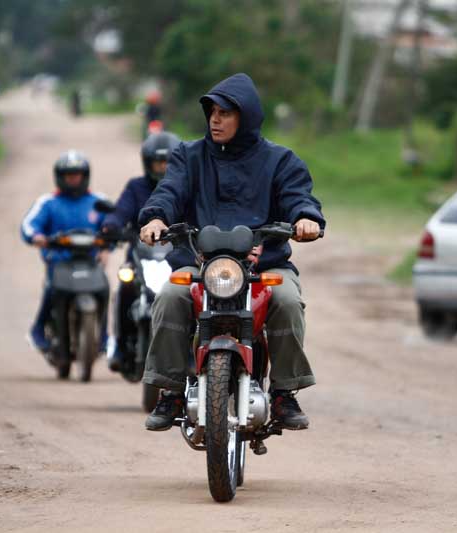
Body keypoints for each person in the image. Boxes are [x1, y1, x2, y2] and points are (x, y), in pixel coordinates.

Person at [137, 73, 325, 431]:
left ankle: (285, 392)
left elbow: (299, 196)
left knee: (285, 299)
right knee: (170, 295)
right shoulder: (188, 157)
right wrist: (156, 218)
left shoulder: (280, 160)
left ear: (247, 116)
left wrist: (305, 218)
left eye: (225, 113)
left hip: (263, 267)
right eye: (212, 112)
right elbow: (169, 192)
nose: (215, 119)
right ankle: (170, 390)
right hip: (199, 265)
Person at [102, 131, 182, 371]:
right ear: (147, 163)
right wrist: (112, 224)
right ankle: (118, 344)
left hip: (177, 258)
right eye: (158, 162)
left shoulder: (187, 187)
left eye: (168, 162)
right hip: (140, 258)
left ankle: (188, 350)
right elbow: (121, 210)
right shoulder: (136, 187)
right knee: (124, 287)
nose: (163, 168)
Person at [21, 150, 110, 355]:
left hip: (90, 261)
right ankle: (38, 330)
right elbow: (28, 225)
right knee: (52, 289)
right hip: (59, 261)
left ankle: (104, 336)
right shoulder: (48, 202)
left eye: (77, 174)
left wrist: (107, 247)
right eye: (68, 175)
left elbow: (113, 225)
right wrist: (36, 236)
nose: (73, 179)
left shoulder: (98, 201)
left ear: (85, 175)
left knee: (104, 290)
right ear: (59, 177)